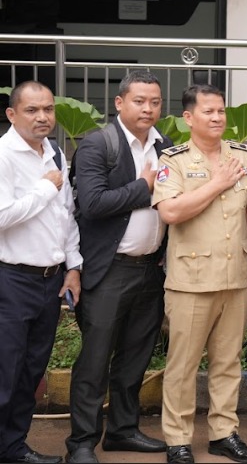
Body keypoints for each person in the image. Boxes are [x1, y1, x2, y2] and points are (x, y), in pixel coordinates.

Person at [152, 84, 247, 464]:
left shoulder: (243, 156)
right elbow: (170, 212)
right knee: (183, 365)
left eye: (221, 111)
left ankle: (223, 433)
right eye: (208, 112)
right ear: (188, 118)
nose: (218, 118)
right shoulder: (175, 160)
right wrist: (217, 183)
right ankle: (178, 439)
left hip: (236, 275)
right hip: (191, 280)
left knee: (227, 362)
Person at [66, 71, 172, 464]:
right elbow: (92, 204)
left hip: (151, 268)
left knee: (135, 357)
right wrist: (143, 188)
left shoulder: (167, 146)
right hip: (109, 269)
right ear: (119, 103)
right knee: (95, 360)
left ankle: (123, 431)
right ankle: (81, 442)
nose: (148, 109)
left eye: (155, 102)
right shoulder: (98, 145)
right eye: (140, 101)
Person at [0, 81, 82, 464]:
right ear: (12, 114)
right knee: (5, 372)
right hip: (11, 279)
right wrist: (44, 189)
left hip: (50, 280)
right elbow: (3, 217)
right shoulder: (3, 155)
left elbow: (66, 217)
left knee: (31, 371)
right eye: (32, 110)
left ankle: (13, 447)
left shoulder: (56, 154)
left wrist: (73, 266)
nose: (43, 117)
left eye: (48, 109)